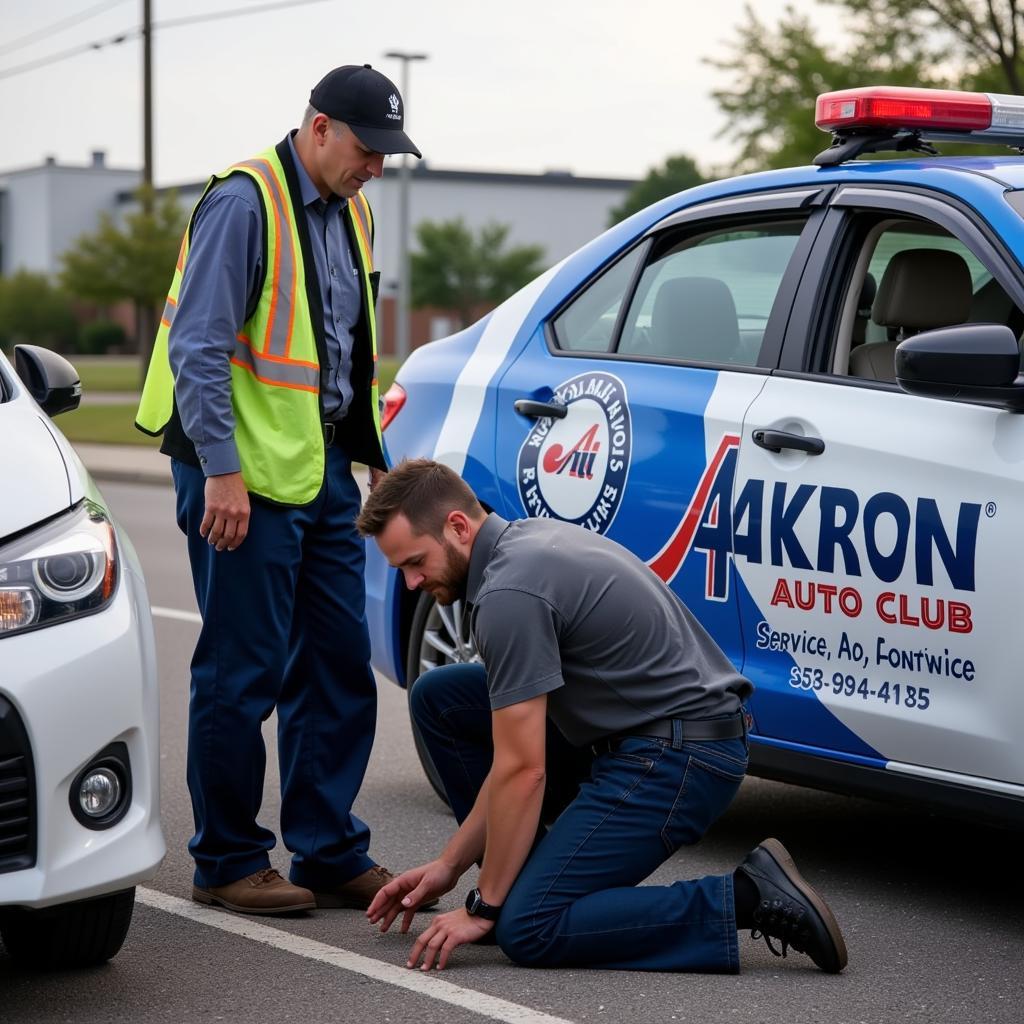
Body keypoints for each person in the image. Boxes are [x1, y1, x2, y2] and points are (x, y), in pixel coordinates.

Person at [357, 459, 848, 974]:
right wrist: (448, 865)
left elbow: (523, 771)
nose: (411, 583)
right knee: (443, 696)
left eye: (415, 562)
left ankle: (749, 896)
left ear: (457, 526)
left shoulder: (508, 594)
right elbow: (513, 764)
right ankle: (521, 888)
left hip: (682, 757)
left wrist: (484, 905)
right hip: (649, 733)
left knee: (531, 928)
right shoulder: (519, 543)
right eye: (401, 571)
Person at [135, 65, 421, 915]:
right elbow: (198, 347)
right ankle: (226, 858)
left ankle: (328, 848)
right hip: (239, 477)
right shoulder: (244, 201)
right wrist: (222, 469)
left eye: (386, 155)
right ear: (321, 127)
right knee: (242, 667)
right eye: (368, 149)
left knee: (338, 663)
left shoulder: (354, 210)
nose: (376, 167)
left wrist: (374, 458)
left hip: (322, 469)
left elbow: (348, 348)